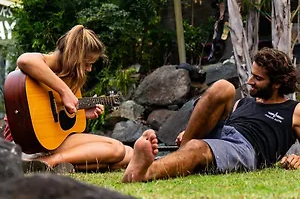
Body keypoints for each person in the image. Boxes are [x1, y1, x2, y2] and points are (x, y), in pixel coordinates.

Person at [122, 47, 300, 182]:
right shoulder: (243, 102)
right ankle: (183, 147)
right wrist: (192, 131)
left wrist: (297, 158)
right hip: (223, 134)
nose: (249, 82)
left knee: (197, 148)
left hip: (245, 147)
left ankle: (145, 172)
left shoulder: (293, 110)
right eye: (252, 75)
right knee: (224, 87)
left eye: (258, 79)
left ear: (276, 84)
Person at [4, 25, 133, 173]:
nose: (89, 69)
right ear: (75, 57)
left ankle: (48, 165)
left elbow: (54, 117)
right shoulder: (40, 64)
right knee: (116, 149)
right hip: (29, 142)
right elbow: (24, 60)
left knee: (128, 153)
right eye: (87, 64)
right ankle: (45, 162)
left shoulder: (69, 78)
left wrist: (82, 113)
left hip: (51, 141)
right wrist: (65, 92)